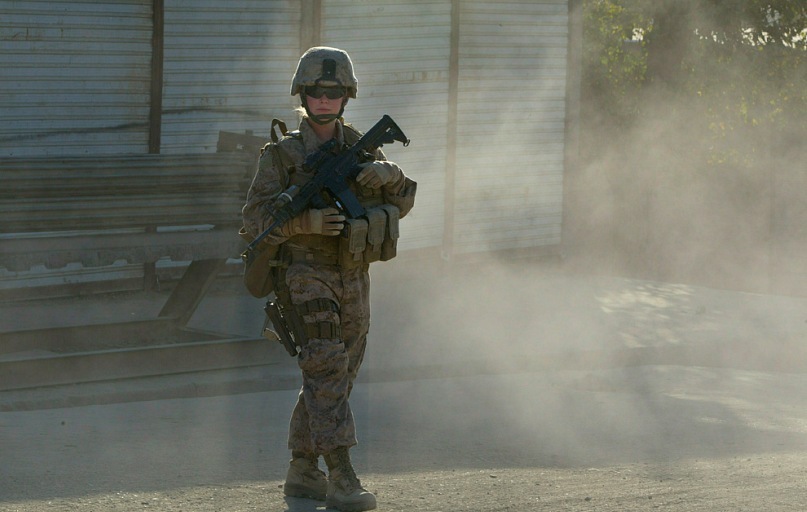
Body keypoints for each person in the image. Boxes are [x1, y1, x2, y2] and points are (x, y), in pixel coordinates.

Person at [241, 46, 416, 512]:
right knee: (325, 367)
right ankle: (341, 475)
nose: (324, 100)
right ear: (302, 94)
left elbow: (403, 203)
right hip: (303, 273)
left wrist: (390, 174)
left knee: (340, 373)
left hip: (353, 272)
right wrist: (303, 223)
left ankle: (303, 469)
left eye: (334, 92)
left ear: (347, 96)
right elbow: (254, 220)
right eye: (316, 91)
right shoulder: (281, 155)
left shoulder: (362, 145)